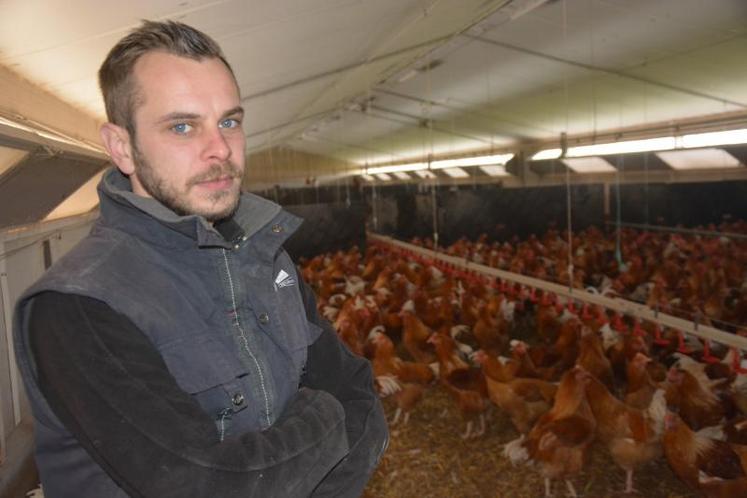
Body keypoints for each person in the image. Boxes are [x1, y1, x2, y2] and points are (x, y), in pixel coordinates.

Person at [13, 20, 387, 498]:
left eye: (229, 121)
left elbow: (363, 400)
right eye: (183, 126)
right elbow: (206, 486)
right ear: (121, 147)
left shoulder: (266, 261)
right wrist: (325, 417)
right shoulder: (80, 306)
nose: (220, 149)